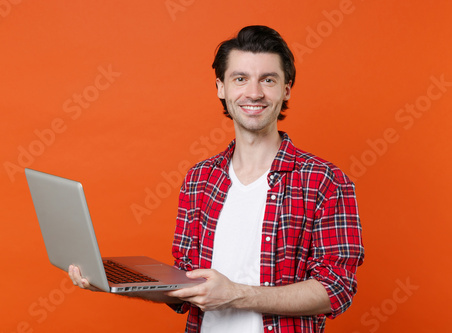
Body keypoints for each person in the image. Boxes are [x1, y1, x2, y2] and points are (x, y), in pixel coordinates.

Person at [69, 25, 364, 333]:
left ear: (286, 89)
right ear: (221, 87)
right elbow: (186, 286)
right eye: (240, 79)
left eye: (268, 79)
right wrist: (113, 283)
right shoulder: (199, 179)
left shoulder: (325, 181)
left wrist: (236, 295)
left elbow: (337, 289)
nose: (254, 92)